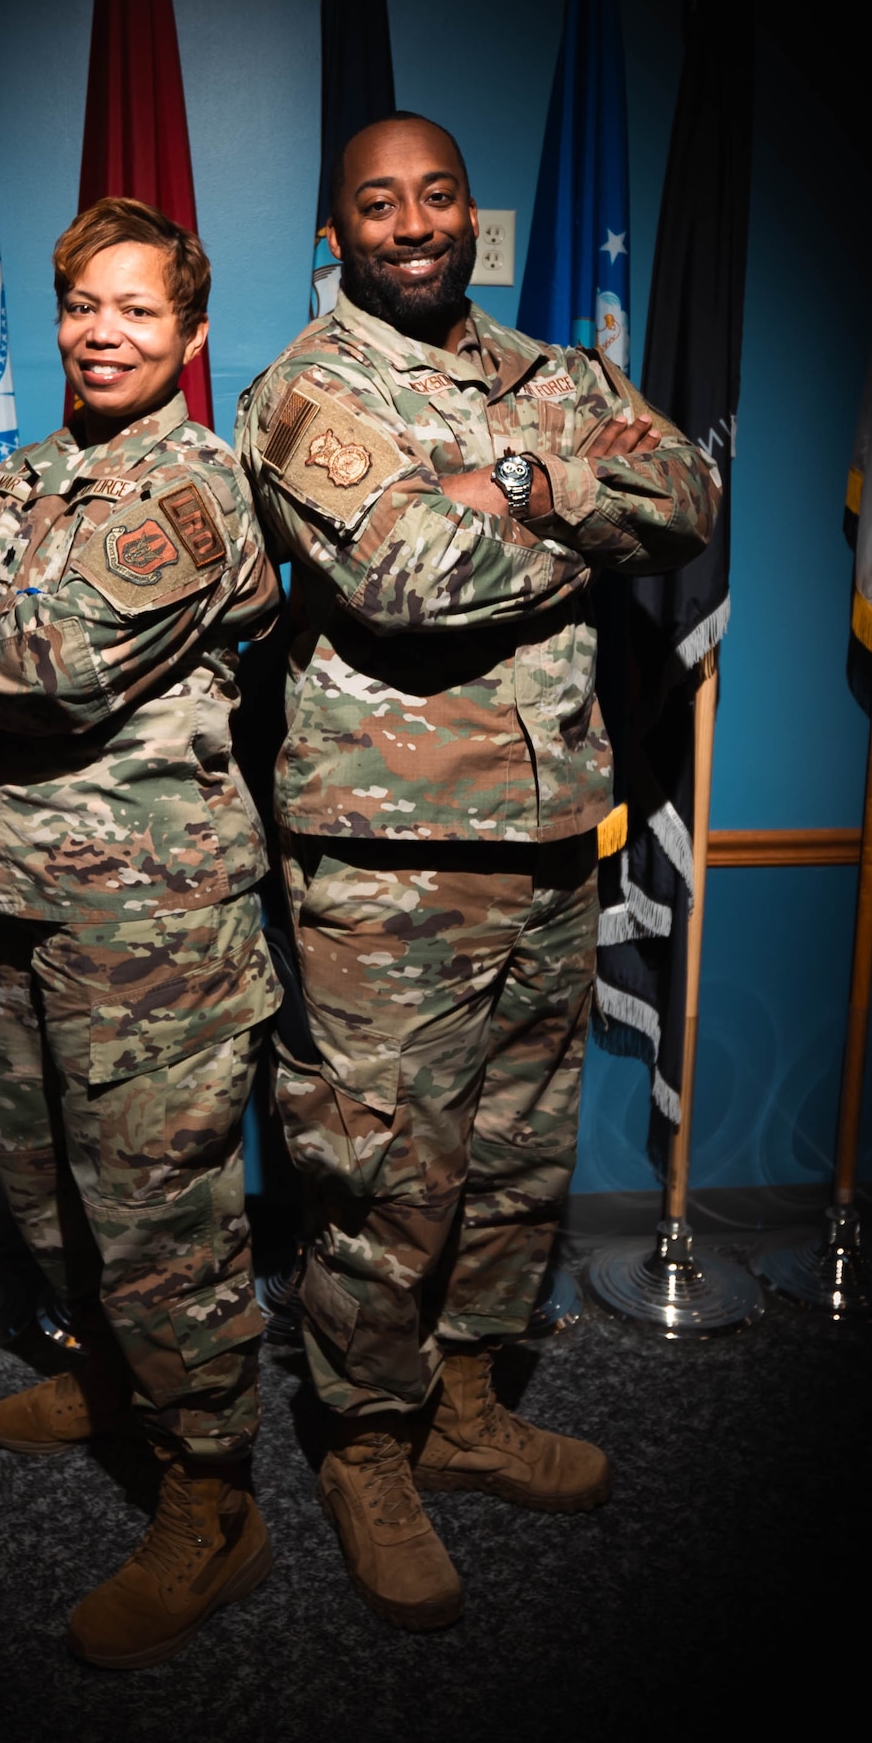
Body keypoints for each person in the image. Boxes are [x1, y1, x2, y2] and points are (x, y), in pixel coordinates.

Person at [235, 113, 721, 1630]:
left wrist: (510, 480)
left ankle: (460, 1408)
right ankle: (364, 1449)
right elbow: (405, 580)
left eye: (433, 195)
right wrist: (579, 507)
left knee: (513, 1160)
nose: (410, 223)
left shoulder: (552, 377)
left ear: (469, 214)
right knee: (379, 1173)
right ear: (339, 233)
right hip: (387, 865)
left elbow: (690, 499)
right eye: (376, 204)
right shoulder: (306, 388)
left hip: (547, 842)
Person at [0, 197, 282, 1669]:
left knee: (162, 1231)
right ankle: (111, 1384)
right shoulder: (22, 484)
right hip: (19, 902)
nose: (100, 332)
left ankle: (212, 1505)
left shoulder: (197, 490)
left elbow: (52, 667)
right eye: (79, 306)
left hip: (153, 929)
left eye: (134, 309)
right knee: (46, 1191)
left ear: (184, 337)